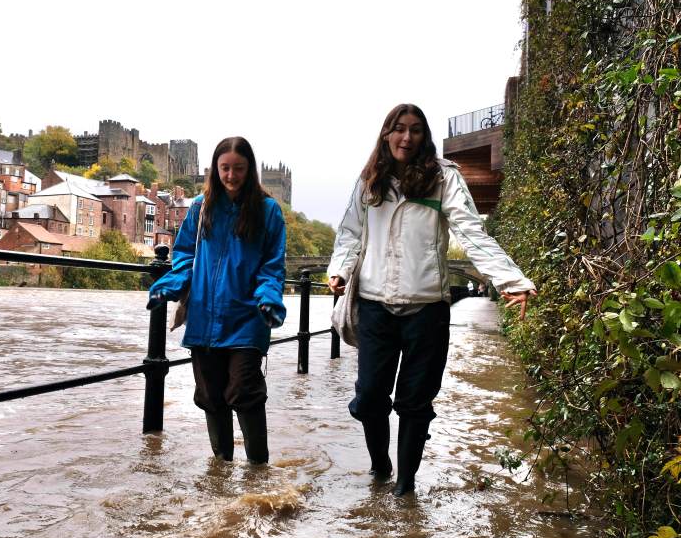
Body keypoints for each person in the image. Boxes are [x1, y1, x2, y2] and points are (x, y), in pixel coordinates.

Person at [327, 103, 536, 496]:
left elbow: (472, 232)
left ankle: (405, 489)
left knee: (415, 402)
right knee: (371, 396)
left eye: (416, 130)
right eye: (399, 129)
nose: (407, 138)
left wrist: (509, 279)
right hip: (374, 305)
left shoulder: (445, 179)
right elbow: (350, 232)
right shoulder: (369, 180)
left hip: (427, 309)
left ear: (425, 136)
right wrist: (339, 267)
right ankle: (380, 466)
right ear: (386, 134)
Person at [148, 136, 286, 464]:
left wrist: (268, 298)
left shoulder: (267, 211)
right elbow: (184, 253)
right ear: (215, 169)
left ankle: (257, 470)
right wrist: (171, 283)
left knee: (244, 391)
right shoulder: (201, 206)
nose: (231, 175)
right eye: (225, 168)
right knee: (210, 395)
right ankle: (222, 472)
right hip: (205, 316)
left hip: (247, 316)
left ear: (250, 169)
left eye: (238, 168)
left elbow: (272, 264)